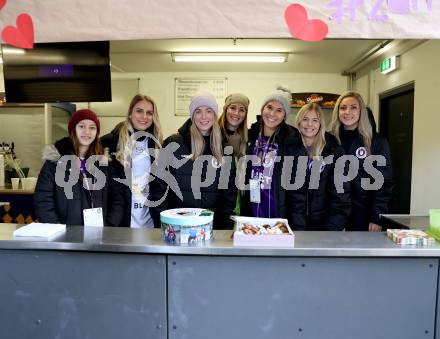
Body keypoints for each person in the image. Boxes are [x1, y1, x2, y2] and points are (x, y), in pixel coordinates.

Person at [153, 91, 237, 229]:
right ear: (192, 115)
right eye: (198, 111)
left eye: (209, 111)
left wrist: (224, 230)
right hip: (177, 227)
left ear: (215, 115)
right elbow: (158, 188)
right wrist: (164, 223)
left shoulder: (225, 150)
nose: (203, 116)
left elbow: (229, 197)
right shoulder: (173, 144)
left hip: (212, 229)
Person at [34, 109, 123, 226]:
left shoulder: (104, 165)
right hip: (64, 239)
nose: (87, 131)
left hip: (98, 237)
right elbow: (43, 201)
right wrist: (58, 232)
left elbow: (117, 199)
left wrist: (109, 227)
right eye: (82, 126)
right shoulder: (54, 163)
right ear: (73, 129)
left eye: (92, 128)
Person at [241, 89, 307, 229]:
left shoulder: (292, 141)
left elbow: (298, 193)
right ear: (262, 108)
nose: (272, 114)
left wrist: (297, 228)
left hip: (279, 219)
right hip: (251, 215)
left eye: (279, 110)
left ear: (284, 116)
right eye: (269, 107)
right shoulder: (250, 136)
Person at [330, 91, 393, 232]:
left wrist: (376, 216)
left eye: (353, 107)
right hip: (333, 216)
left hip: (363, 216)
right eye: (343, 107)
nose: (347, 112)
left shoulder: (377, 142)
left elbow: (384, 183)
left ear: (361, 111)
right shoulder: (330, 141)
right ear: (337, 111)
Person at [101, 94, 163, 228]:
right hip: (122, 223)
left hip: (151, 223)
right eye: (139, 111)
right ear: (130, 113)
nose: (144, 117)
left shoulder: (157, 145)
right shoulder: (110, 142)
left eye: (149, 113)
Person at [294, 102, 350, 231]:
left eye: (315, 120)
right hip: (295, 225)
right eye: (305, 119)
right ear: (298, 122)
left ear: (320, 124)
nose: (309, 124)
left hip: (325, 227)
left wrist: (333, 228)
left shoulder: (333, 149)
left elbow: (341, 195)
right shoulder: (290, 147)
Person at [218, 93, 250, 215]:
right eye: (232, 108)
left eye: (242, 110)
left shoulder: (248, 138)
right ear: (226, 109)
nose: (236, 113)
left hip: (239, 198)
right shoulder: (213, 133)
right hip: (216, 198)